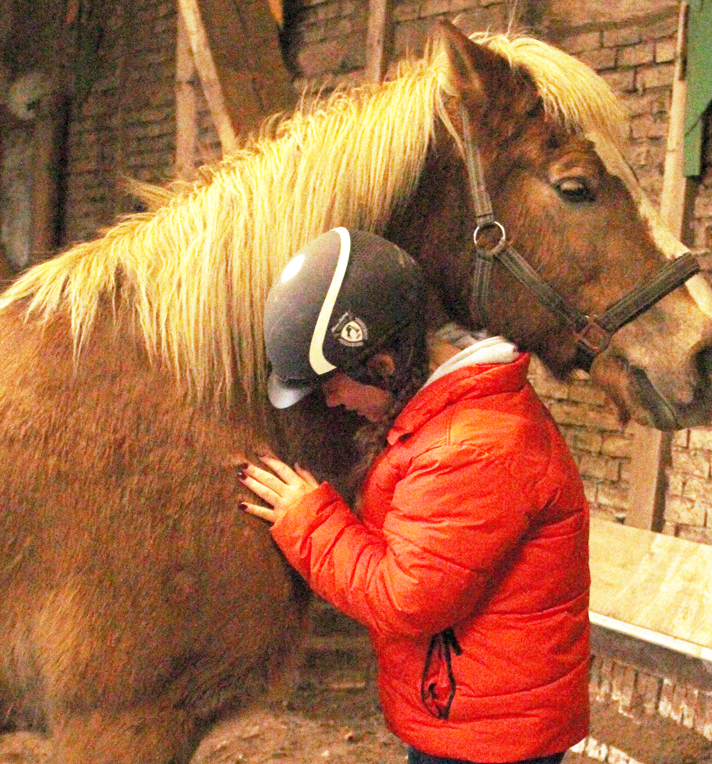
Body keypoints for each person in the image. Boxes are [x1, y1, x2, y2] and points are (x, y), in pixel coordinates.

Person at [239, 227, 591, 764]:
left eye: (331, 383)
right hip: (473, 709)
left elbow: (406, 599)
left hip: (486, 738)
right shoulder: (454, 417)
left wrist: (307, 522)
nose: (330, 401)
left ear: (382, 365)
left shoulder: (470, 448)